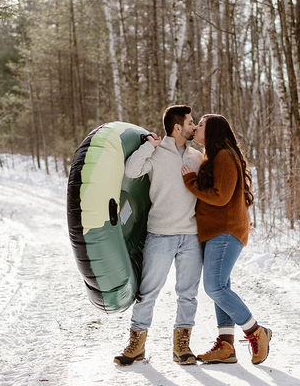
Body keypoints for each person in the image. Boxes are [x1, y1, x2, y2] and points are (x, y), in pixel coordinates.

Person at [114, 105, 204, 366]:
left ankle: (182, 346)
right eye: (190, 122)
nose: (194, 126)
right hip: (160, 234)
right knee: (147, 292)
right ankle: (136, 345)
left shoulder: (195, 157)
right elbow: (131, 171)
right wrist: (147, 146)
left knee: (188, 293)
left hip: (190, 235)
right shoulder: (155, 152)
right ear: (177, 127)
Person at [181, 114, 271, 365]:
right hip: (218, 230)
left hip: (225, 231)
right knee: (221, 288)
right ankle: (226, 345)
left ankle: (256, 331)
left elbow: (220, 196)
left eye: (201, 125)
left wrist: (191, 182)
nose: (196, 128)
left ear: (212, 132)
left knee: (215, 287)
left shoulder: (223, 156)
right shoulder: (215, 156)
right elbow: (231, 195)